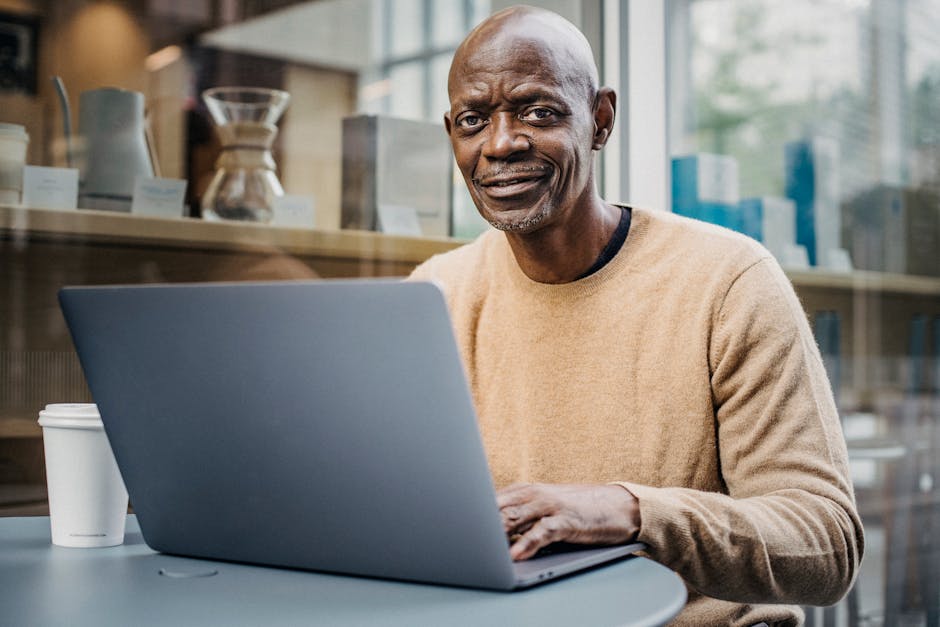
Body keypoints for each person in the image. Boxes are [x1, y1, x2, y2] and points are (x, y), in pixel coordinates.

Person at [409, 5, 864, 626]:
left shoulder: (728, 280)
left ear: (600, 119)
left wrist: (632, 512)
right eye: (473, 120)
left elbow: (826, 544)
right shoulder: (434, 293)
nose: (501, 143)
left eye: (539, 112)